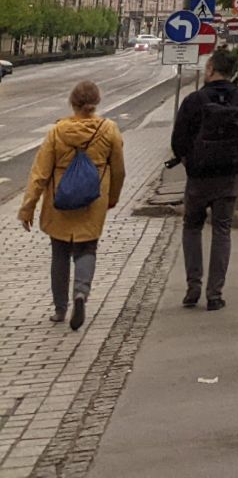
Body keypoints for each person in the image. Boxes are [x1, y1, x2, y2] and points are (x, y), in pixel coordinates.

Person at [17, 80, 126, 330]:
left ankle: (59, 309)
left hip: (60, 201)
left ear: (72, 103)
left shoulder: (57, 132)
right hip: (93, 200)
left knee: (60, 253)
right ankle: (81, 293)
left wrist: (28, 207)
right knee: (87, 248)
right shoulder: (109, 130)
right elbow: (119, 170)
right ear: (96, 102)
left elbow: (40, 174)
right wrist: (112, 197)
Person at [171, 47, 238, 310]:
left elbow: (178, 140)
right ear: (233, 72)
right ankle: (215, 294)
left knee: (192, 226)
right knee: (222, 230)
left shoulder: (194, 100)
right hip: (230, 175)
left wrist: (189, 162)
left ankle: (193, 286)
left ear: (211, 69)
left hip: (199, 176)